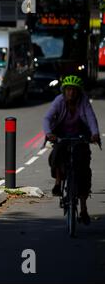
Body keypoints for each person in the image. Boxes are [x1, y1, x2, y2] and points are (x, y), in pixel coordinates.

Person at [43, 75, 101, 225]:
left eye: (74, 90)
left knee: (84, 169)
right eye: (68, 90)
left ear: (79, 92)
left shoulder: (83, 101)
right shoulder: (59, 101)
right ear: (64, 91)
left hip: (80, 136)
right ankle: (57, 182)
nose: (71, 93)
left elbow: (91, 118)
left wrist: (94, 134)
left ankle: (83, 208)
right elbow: (47, 118)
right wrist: (49, 133)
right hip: (61, 135)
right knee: (56, 154)